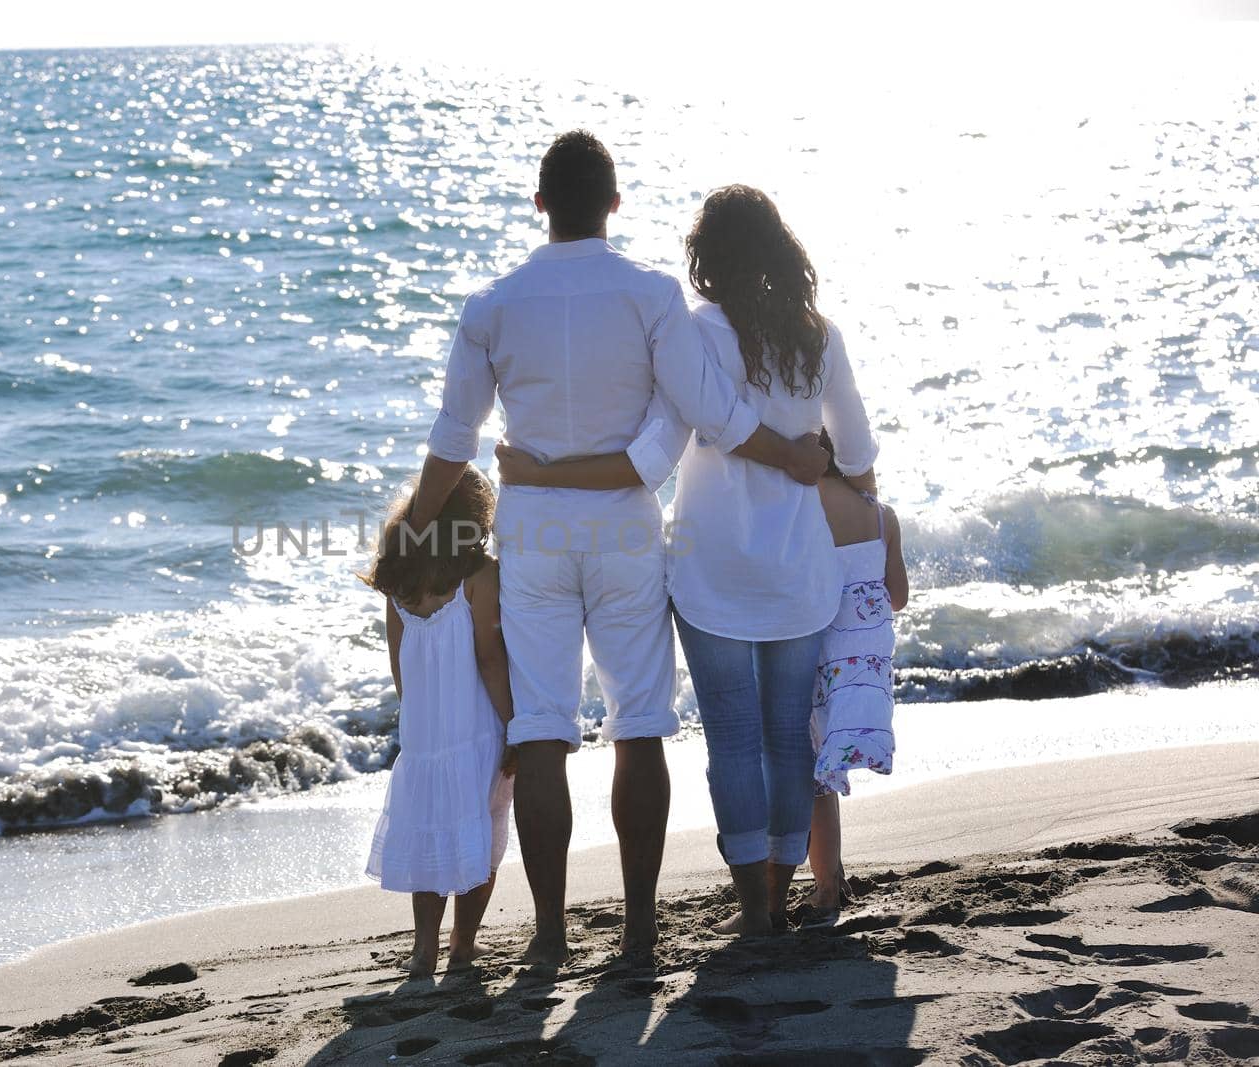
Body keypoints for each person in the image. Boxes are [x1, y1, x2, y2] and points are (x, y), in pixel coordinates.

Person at [407, 133, 828, 965]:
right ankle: (638, 930)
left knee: (540, 731)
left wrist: (418, 534)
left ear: (539, 204)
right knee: (638, 725)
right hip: (626, 526)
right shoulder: (651, 294)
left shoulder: (492, 303)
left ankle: (555, 935)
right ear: (614, 203)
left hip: (533, 529)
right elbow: (703, 411)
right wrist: (788, 456)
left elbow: (453, 438)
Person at [494, 184, 878, 936]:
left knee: (733, 738)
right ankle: (779, 884)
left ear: (707, 255)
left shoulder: (695, 332)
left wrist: (548, 474)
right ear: (780, 247)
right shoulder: (818, 336)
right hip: (799, 572)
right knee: (785, 735)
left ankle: (752, 906)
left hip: (711, 574)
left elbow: (663, 441)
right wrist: (856, 508)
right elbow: (857, 453)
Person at [363, 465, 516, 977]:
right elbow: (490, 658)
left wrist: (418, 720)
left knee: (432, 831)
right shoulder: (480, 577)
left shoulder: (400, 578)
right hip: (477, 727)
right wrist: (512, 721)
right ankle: (464, 945)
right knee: (482, 830)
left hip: (426, 735)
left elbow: (398, 661)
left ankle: (423, 948)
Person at [803, 433, 908, 927]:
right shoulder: (882, 514)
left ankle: (825, 886)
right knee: (829, 766)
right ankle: (835, 873)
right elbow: (899, 596)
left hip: (817, 653)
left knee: (813, 773)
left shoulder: (800, 507)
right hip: (864, 667)